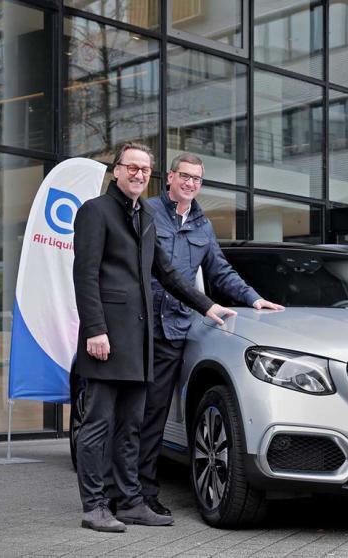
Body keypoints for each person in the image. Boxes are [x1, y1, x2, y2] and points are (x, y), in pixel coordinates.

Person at [73, 142, 236, 533]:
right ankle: (95, 506)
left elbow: (167, 273)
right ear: (117, 170)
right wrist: (95, 329)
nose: (138, 174)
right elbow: (85, 275)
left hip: (140, 339)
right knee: (98, 425)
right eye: (131, 167)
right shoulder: (95, 211)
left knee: (132, 426)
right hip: (106, 338)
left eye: (144, 170)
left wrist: (206, 306)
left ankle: (129, 502)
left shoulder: (144, 214)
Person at [138, 153, 283, 516]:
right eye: (185, 176)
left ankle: (143, 493)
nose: (190, 183)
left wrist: (254, 298)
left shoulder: (202, 225)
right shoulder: (147, 212)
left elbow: (220, 271)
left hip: (174, 329)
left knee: (154, 414)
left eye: (197, 179)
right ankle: (119, 489)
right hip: (139, 324)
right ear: (170, 177)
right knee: (128, 410)